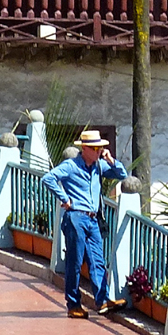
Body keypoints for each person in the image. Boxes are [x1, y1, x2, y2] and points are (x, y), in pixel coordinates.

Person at [39, 130, 129, 319]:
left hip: (93, 219)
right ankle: (73, 304)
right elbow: (48, 178)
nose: (99, 151)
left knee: (98, 260)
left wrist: (110, 159)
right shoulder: (71, 166)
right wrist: (65, 199)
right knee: (75, 262)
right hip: (76, 217)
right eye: (96, 148)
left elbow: (122, 174)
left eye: (101, 148)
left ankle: (102, 299)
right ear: (85, 148)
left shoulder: (99, 166)